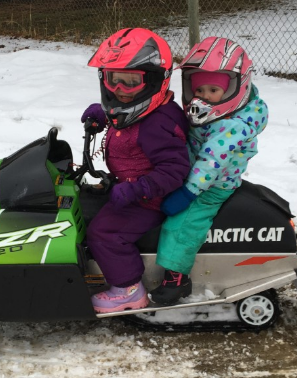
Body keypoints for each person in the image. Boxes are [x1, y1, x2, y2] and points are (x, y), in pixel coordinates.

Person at [148, 36, 269, 305]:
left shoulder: (232, 125)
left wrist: (189, 193)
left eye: (213, 91)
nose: (203, 97)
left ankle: (177, 278)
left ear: (236, 89)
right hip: (191, 174)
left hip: (211, 186)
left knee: (183, 224)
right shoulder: (212, 113)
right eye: (198, 90)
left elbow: (211, 161)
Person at [80, 28, 190, 314]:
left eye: (131, 82)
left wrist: (137, 189)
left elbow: (174, 169)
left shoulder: (159, 124)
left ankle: (128, 290)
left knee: (105, 233)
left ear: (155, 82)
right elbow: (127, 115)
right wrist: (104, 114)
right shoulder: (141, 109)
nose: (119, 90)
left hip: (149, 199)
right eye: (113, 80)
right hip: (129, 187)